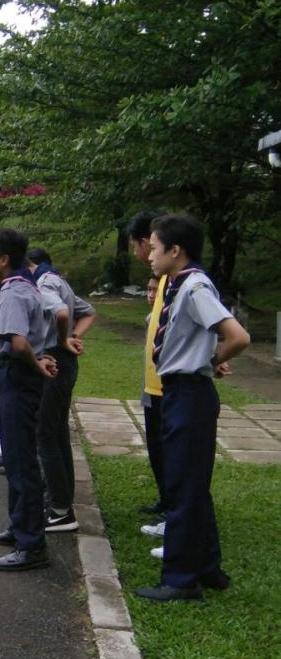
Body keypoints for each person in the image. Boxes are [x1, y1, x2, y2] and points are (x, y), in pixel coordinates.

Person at [135, 215, 249, 602]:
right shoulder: (180, 284)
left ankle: (181, 580)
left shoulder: (195, 286)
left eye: (154, 247)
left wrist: (213, 357)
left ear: (175, 250)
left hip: (189, 393)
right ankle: (208, 567)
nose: (149, 254)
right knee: (192, 484)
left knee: (183, 485)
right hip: (181, 392)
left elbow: (238, 336)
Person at [0, 229, 57, 572]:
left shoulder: (13, 292)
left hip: (15, 376)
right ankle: (19, 526)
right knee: (14, 456)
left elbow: (19, 342)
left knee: (21, 460)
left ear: (4, 259)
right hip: (16, 376)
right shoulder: (25, 286)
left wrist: (35, 362)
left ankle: (31, 544)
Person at [26, 248, 96, 534]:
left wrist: (65, 338)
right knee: (57, 433)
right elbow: (89, 312)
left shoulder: (43, 284)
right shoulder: (58, 280)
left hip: (53, 360)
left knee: (45, 433)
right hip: (65, 361)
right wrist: (74, 337)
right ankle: (63, 500)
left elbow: (62, 312)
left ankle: (60, 511)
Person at [127, 211, 169, 519]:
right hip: (153, 385)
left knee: (173, 455)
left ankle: (175, 513)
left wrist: (214, 359)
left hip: (170, 387)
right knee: (157, 449)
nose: (143, 254)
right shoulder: (164, 281)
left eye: (145, 247)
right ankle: (167, 504)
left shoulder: (182, 282)